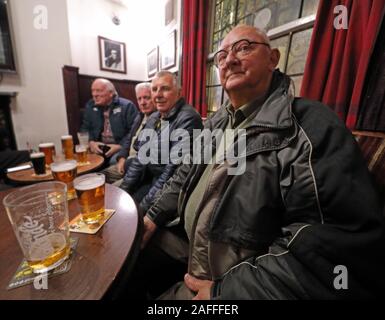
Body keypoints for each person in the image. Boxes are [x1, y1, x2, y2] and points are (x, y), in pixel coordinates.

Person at [127, 25, 385, 300]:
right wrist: (152, 217)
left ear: (273, 58)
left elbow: (328, 248)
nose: (230, 60)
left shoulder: (311, 125)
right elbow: (183, 175)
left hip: (233, 278)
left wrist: (224, 293)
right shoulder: (216, 123)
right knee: (125, 259)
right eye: (222, 55)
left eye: (244, 47)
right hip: (189, 246)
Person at [119, 71, 203, 213]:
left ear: (179, 93)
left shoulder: (189, 118)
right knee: (120, 204)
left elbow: (171, 174)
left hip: (171, 189)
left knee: (132, 213)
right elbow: (140, 159)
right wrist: (122, 192)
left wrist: (143, 208)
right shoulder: (154, 117)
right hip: (151, 178)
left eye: (165, 88)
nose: (157, 95)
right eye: (154, 89)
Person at [103, 82, 157, 183]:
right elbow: (129, 139)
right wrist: (122, 157)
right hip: (126, 163)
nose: (142, 102)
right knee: (98, 178)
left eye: (146, 97)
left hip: (136, 170)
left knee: (108, 191)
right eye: (139, 99)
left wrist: (127, 163)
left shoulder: (158, 118)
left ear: (154, 97)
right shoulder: (140, 116)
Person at [80, 78, 139, 164]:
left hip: (119, 147)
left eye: (99, 91)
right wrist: (91, 142)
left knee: (113, 161)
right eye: (93, 91)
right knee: (85, 161)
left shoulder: (127, 106)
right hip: (98, 148)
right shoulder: (90, 105)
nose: (94, 94)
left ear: (111, 93)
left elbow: (134, 131)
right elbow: (85, 128)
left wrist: (120, 146)